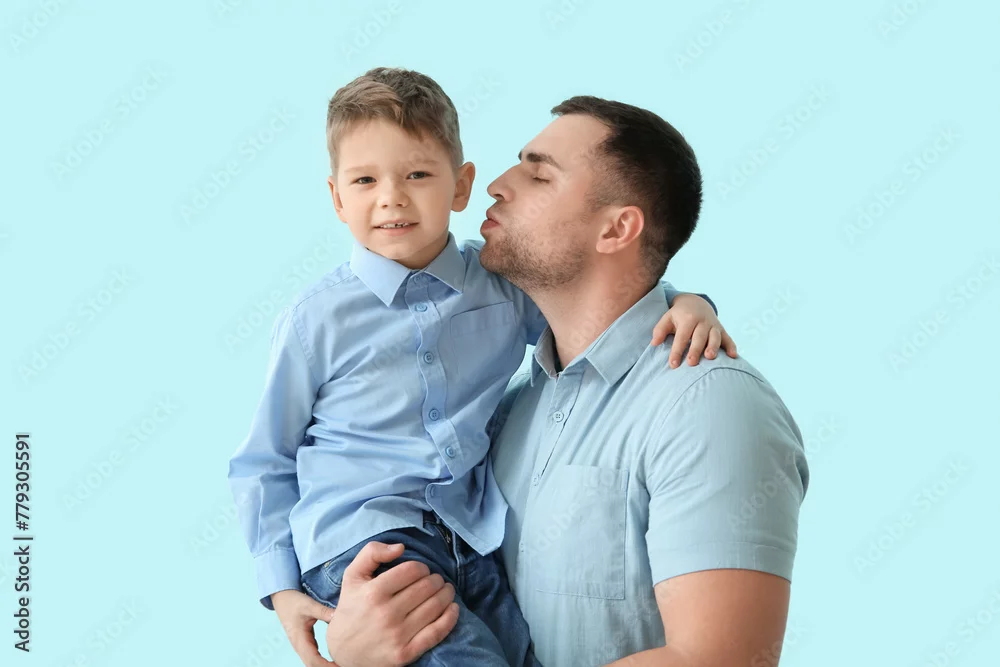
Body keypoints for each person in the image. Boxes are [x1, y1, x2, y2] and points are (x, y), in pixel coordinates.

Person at [227, 68, 736, 667]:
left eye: (417, 175)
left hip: (471, 538)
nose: (391, 197)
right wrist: (281, 587)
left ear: (461, 186)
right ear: (338, 198)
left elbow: (599, 303)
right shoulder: (315, 319)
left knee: (521, 655)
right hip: (366, 543)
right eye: (364, 180)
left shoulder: (502, 287)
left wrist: (687, 302)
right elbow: (265, 459)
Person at [321, 95, 809, 667]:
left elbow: (715, 660)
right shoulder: (508, 413)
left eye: (538, 175)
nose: (496, 185)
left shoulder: (709, 404)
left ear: (617, 228)